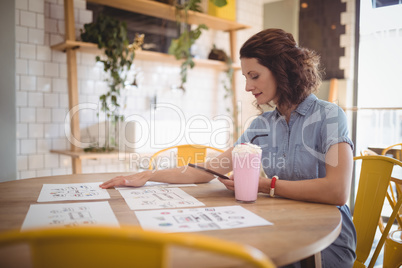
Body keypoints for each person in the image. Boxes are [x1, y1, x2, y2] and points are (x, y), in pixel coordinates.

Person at [100, 28, 356, 267]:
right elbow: (208, 170)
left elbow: (337, 192)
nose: (247, 86)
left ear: (282, 70)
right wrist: (149, 175)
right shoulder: (261, 125)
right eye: (245, 77)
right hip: (285, 227)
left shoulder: (329, 116)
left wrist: (265, 185)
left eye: (254, 76)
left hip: (327, 240)